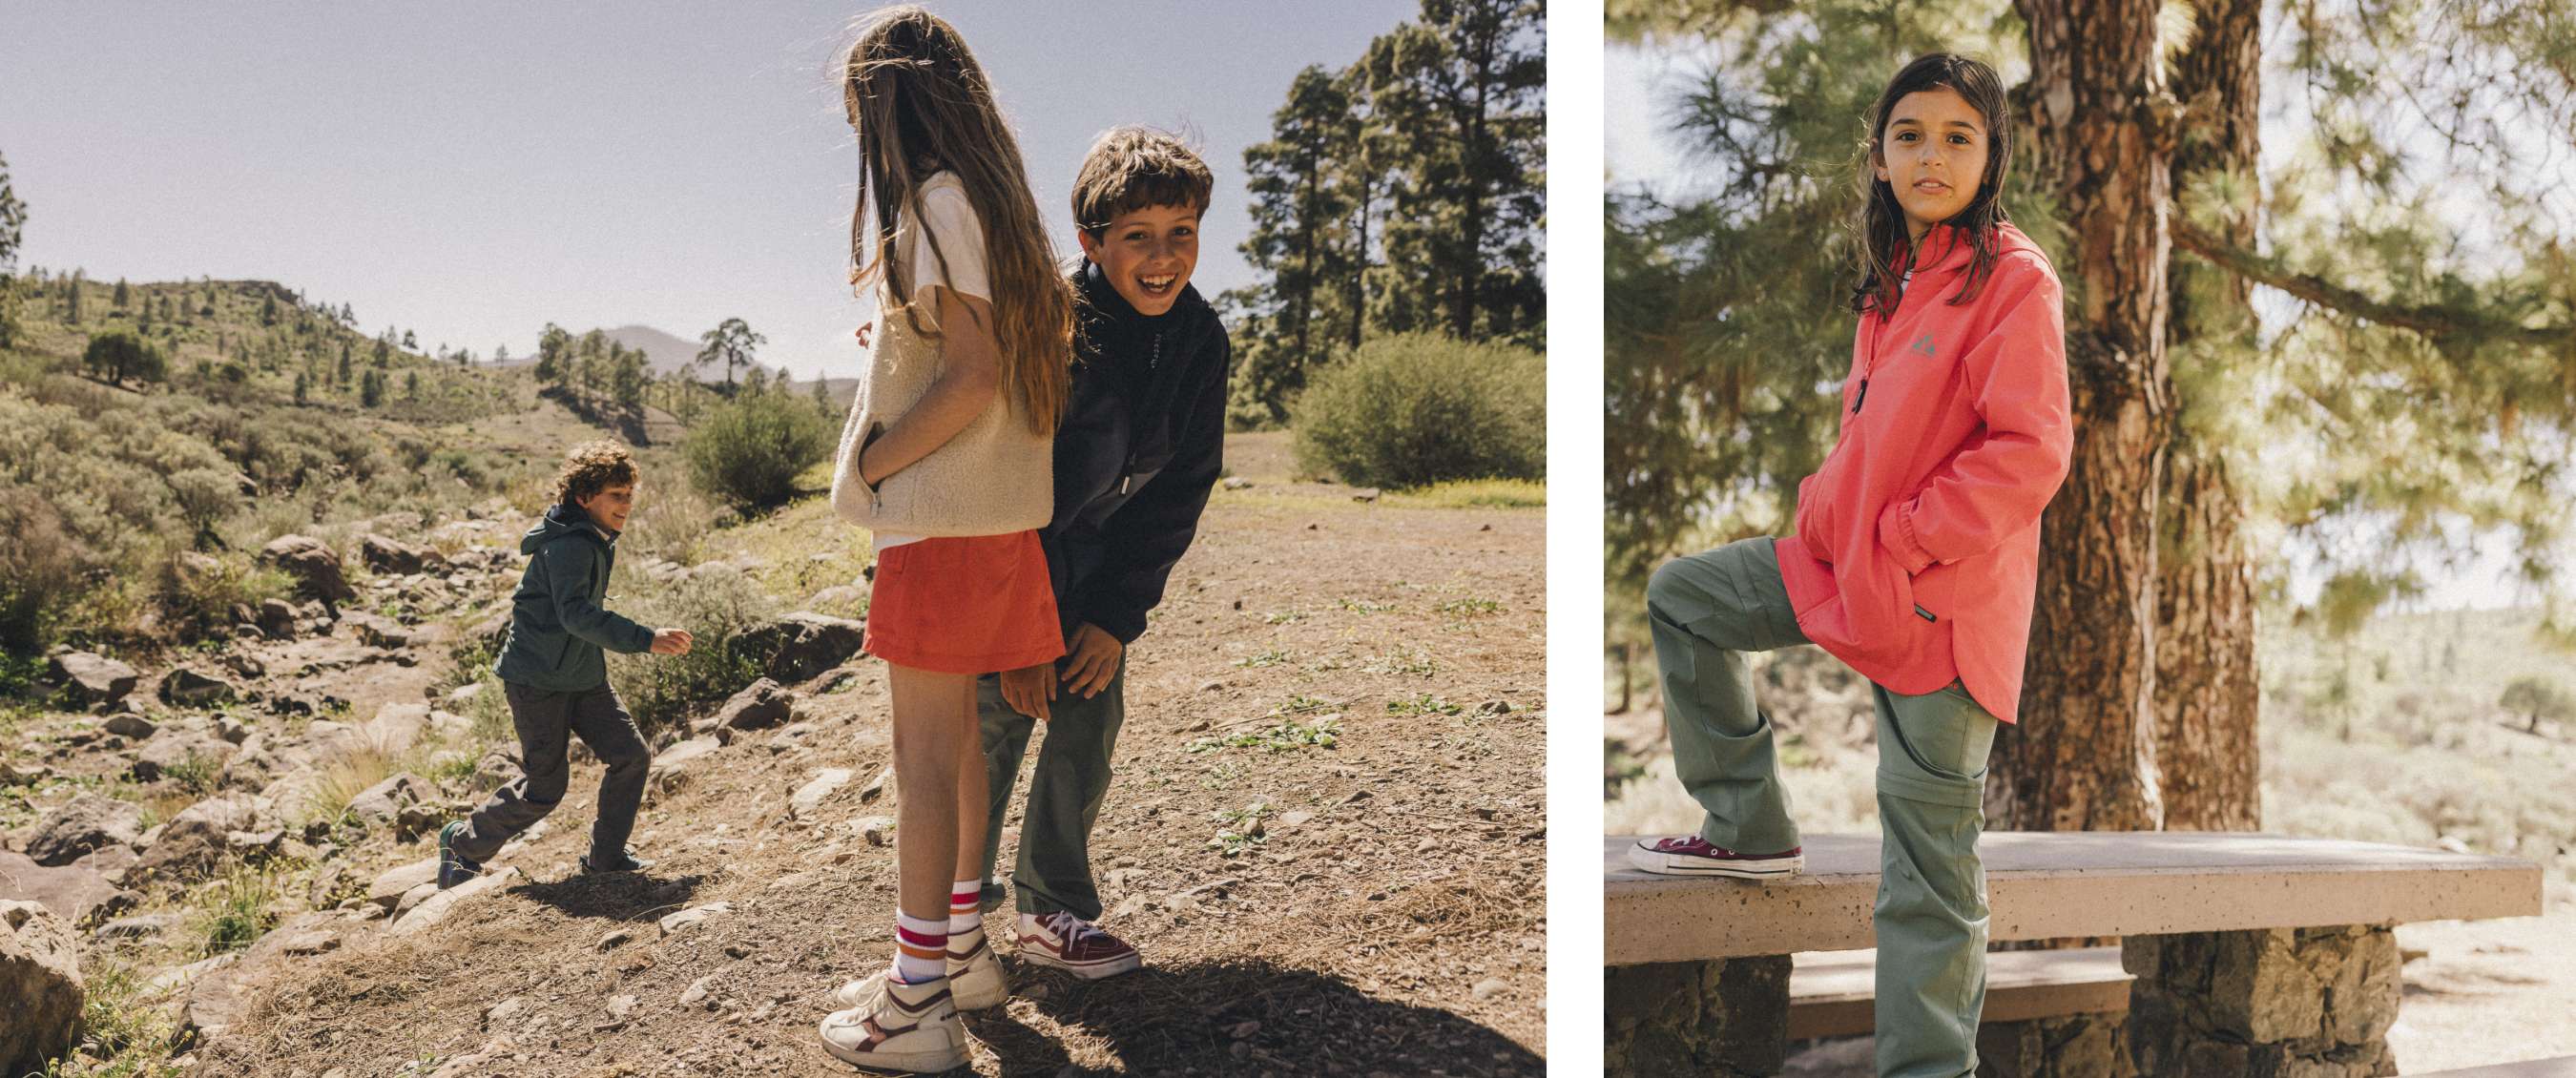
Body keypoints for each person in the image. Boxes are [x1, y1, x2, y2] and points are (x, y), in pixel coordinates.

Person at [1626, 52, 2073, 1078]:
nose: (1932, 154)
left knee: (1925, 873)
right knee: (1686, 597)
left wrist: (1908, 537)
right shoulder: (1892, 282)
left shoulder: (2013, 277)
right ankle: (1747, 823)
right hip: (1843, 564)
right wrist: (1828, 507)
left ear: (1991, 154)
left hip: (1944, 604)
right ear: (1876, 156)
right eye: (1910, 133)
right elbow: (1875, 437)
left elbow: (2030, 453)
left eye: (1960, 136)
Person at [814, 7, 1077, 1072]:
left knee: (922, 758)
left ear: (887, 107)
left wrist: (872, 464)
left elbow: (966, 377)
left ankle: (915, 999)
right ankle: (959, 948)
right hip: (1001, 523)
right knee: (958, 746)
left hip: (941, 525)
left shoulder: (931, 205)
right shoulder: (994, 209)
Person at [975, 126, 1231, 979]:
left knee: (1090, 713)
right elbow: (1007, 486)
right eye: (1137, 238)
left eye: (1181, 233)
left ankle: (1051, 912)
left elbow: (1179, 489)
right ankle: (956, 919)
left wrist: (1115, 617)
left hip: (1099, 572)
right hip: (1008, 568)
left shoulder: (1201, 339)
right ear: (1091, 241)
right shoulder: (1046, 323)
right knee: (995, 726)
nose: (1163, 259)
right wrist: (1022, 632)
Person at [438, 441, 693, 890]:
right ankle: (462, 845)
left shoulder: (592, 537)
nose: (626, 505)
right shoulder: (571, 545)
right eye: (616, 495)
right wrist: (645, 639)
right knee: (545, 788)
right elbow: (575, 614)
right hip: (537, 681)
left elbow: (578, 620)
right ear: (584, 497)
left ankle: (605, 860)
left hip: (581, 675)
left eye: (630, 495)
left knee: (630, 757)